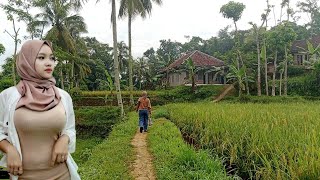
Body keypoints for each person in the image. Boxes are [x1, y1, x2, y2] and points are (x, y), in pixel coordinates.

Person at [0, 40, 80, 180]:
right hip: (23, 176)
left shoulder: (63, 96)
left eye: (52, 58)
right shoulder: (8, 96)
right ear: (27, 61)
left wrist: (64, 139)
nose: (49, 63)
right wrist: (9, 149)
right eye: (41, 58)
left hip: (62, 174)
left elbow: (70, 128)